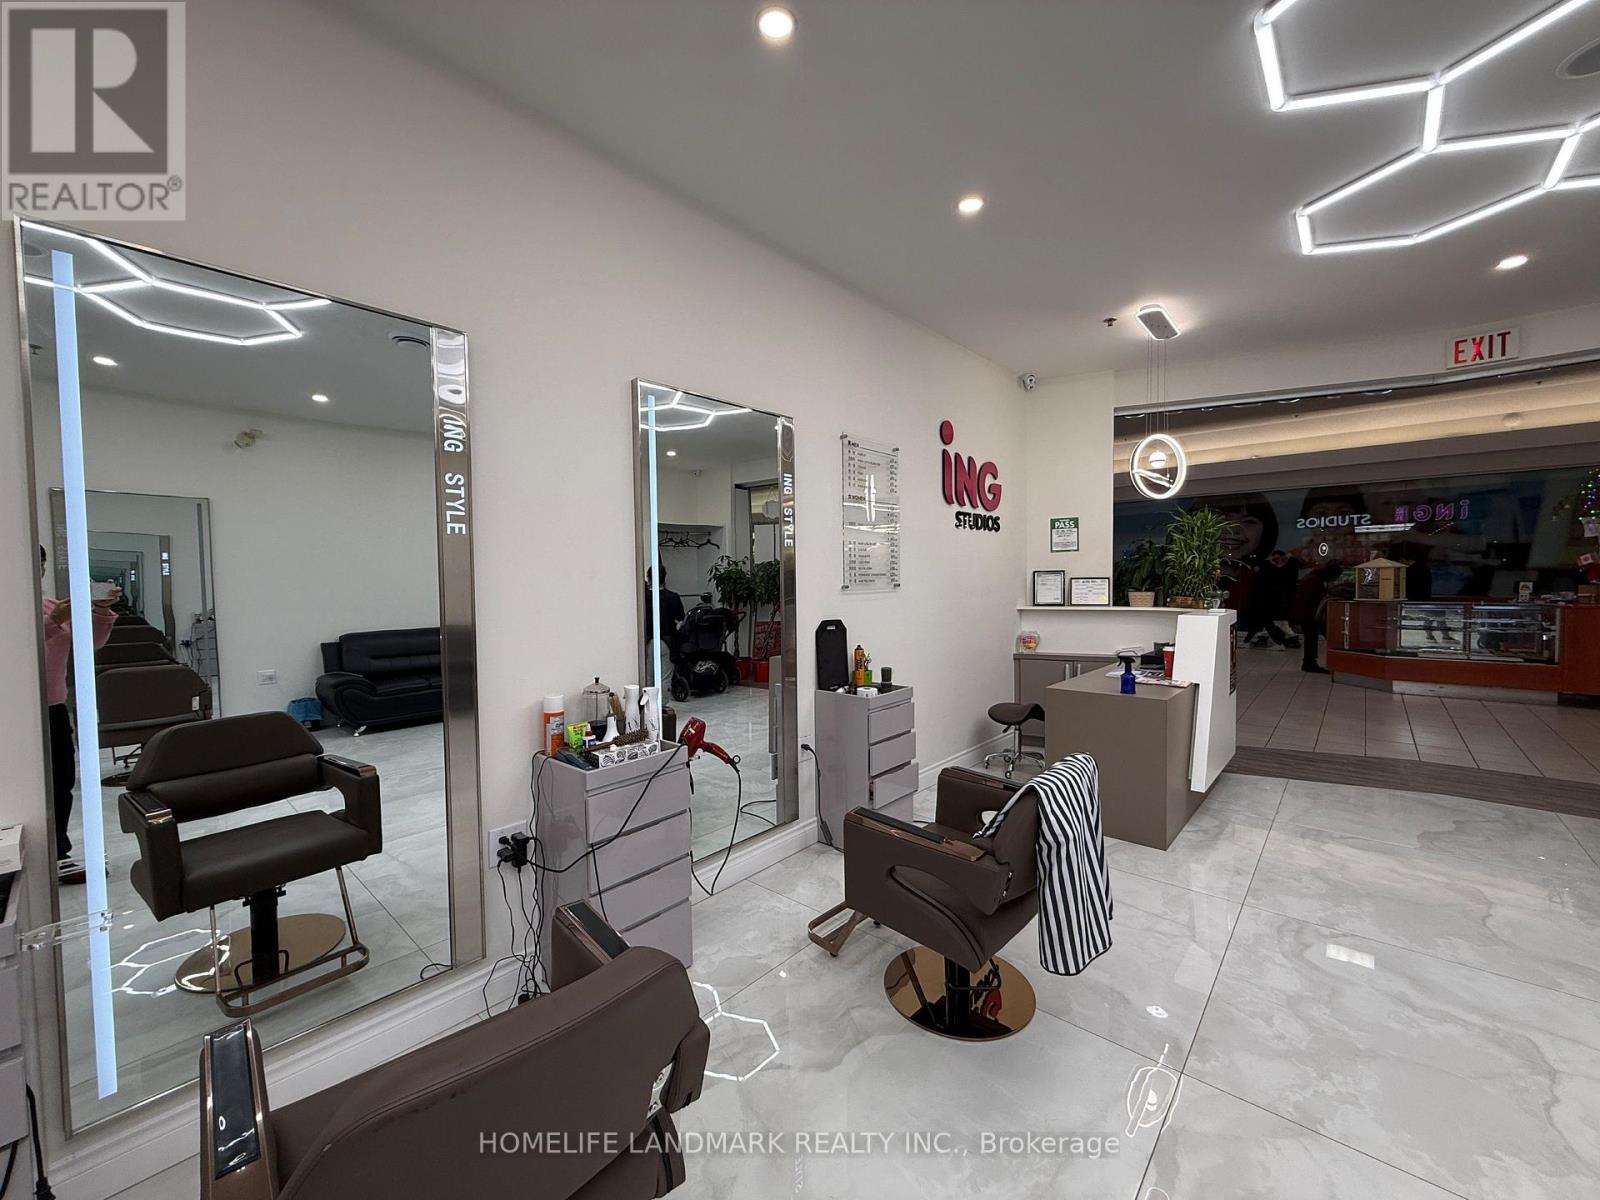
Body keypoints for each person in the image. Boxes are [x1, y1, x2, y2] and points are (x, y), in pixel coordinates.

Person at [39, 546, 119, 884]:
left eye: (41, 563)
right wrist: (53, 622)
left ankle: (58, 852)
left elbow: (92, 643)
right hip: (19, 712)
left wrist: (99, 610)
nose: (39, 569)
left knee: (61, 782)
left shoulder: (51, 605)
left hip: (54, 707)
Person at [1294, 562, 1344, 674]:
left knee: (1310, 639)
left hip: (1305, 613)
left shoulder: (1312, 577)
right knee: (1311, 639)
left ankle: (1308, 662)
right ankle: (1310, 663)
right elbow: (1317, 598)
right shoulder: (1315, 581)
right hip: (1309, 614)